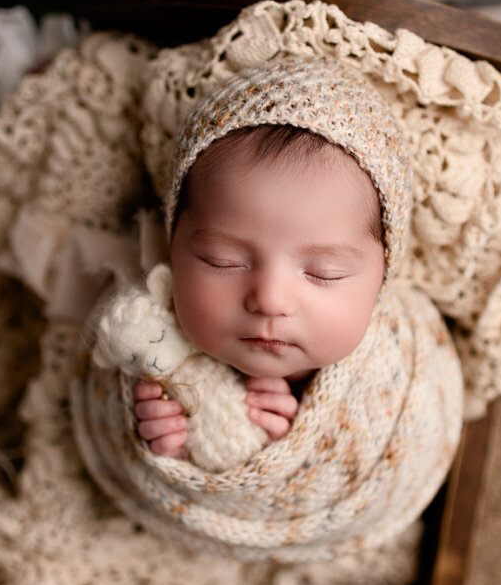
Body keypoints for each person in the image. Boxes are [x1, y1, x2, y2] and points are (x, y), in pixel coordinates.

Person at [128, 55, 411, 462]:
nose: (271, 300)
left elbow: (399, 447)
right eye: (222, 260)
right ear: (170, 245)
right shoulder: (151, 342)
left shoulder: (389, 369)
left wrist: (299, 447)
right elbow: (99, 405)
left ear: (383, 277)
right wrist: (164, 439)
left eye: (323, 273)